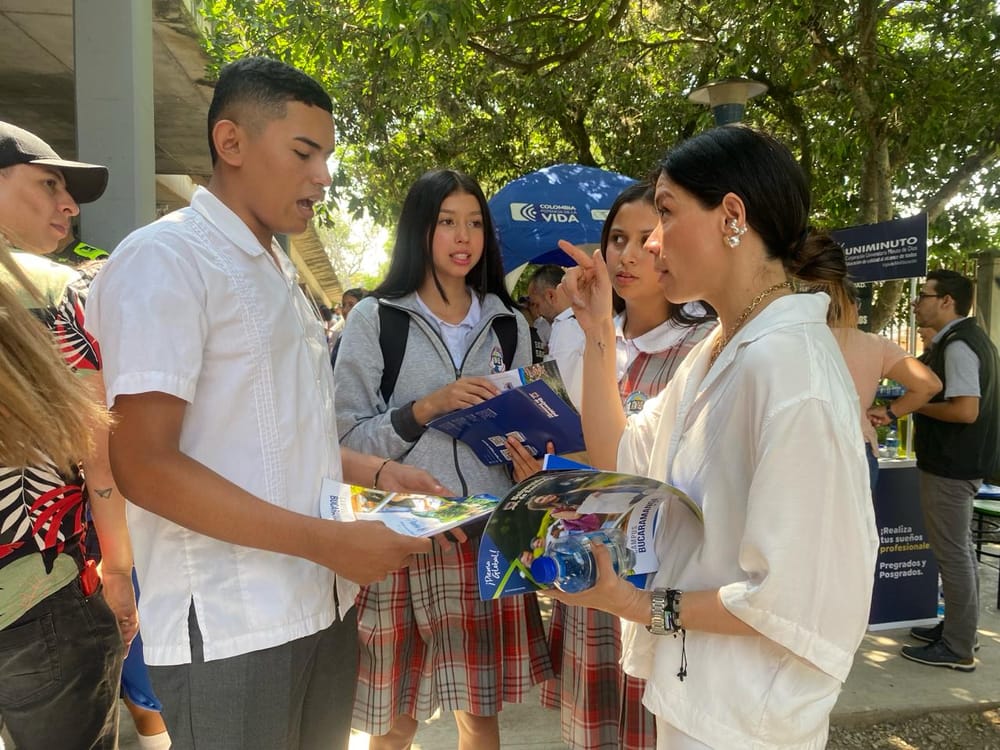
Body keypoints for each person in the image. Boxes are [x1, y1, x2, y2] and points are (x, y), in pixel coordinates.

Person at [86, 57, 442, 750]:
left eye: (328, 156)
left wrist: (374, 474)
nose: (323, 176)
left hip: (321, 605)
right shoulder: (167, 260)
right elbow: (145, 465)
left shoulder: (278, 272)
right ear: (232, 142)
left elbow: (275, 437)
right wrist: (331, 542)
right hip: (234, 625)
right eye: (305, 152)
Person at [552, 126, 878, 749]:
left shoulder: (791, 370)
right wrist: (598, 330)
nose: (650, 242)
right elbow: (621, 457)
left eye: (666, 213)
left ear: (732, 216)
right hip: (698, 693)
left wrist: (635, 604)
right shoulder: (720, 349)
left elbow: (792, 596)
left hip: (749, 717)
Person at [334, 168, 553, 750]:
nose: (464, 237)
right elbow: (344, 441)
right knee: (392, 720)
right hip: (398, 533)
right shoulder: (375, 319)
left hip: (481, 532)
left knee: (480, 716)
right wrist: (423, 409)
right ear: (419, 232)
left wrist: (527, 454)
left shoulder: (508, 323)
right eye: (447, 222)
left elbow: (523, 428)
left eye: (475, 223)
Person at [532, 181, 716, 750]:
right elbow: (585, 441)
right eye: (617, 239)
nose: (630, 255)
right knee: (593, 727)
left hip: (660, 577)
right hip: (591, 560)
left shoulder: (702, 347)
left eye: (647, 237)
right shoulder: (589, 335)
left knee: (654, 725)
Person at [0, 120, 125, 749]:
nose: (68, 205)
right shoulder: (59, 294)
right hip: (41, 598)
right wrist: (123, 573)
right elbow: (98, 459)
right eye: (49, 183)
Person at [899, 269, 1000, 671]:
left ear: (947, 301)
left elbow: (965, 410)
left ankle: (958, 648)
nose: (916, 303)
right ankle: (960, 629)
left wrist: (913, 404)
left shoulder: (959, 346)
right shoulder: (962, 341)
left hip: (952, 467)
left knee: (954, 555)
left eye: (924, 295)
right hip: (958, 464)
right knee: (956, 554)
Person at [797, 275, 941, 490]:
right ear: (852, 306)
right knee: (854, 523)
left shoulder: (795, 341)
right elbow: (929, 385)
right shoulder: (874, 345)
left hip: (802, 447)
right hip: (856, 446)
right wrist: (890, 412)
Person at [526, 263, 587, 404]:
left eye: (536, 304)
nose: (537, 312)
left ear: (550, 296)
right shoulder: (583, 320)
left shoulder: (565, 326)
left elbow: (557, 384)